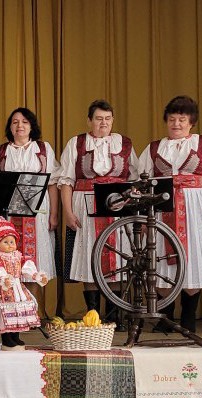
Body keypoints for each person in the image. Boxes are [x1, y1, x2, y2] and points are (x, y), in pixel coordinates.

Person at [135, 95, 202, 333]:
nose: (176, 124)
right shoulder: (154, 148)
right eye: (172, 119)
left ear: (191, 122)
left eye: (182, 119)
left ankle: (188, 315)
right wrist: (144, 214)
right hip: (163, 207)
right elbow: (141, 183)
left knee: (195, 258)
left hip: (197, 209)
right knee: (160, 257)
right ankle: (166, 315)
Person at [54, 100, 138, 328]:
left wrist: (129, 204)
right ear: (89, 121)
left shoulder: (124, 144)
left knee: (117, 258)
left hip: (116, 207)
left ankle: (114, 315)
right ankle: (93, 315)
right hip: (85, 205)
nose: (104, 123)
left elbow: (134, 178)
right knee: (88, 256)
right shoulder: (77, 143)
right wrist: (68, 212)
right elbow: (66, 181)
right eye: (99, 119)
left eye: (108, 119)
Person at [0, 107, 58, 311]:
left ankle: (33, 310)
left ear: (31, 126)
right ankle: (11, 309)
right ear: (10, 127)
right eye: (15, 122)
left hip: (37, 212)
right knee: (9, 259)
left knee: (35, 259)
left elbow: (52, 183)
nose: (20, 126)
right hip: (9, 212)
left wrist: (54, 214)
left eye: (25, 122)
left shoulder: (43, 149)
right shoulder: (0, 152)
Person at [0, 216, 48, 349]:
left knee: (18, 312)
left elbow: (26, 268)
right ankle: (7, 339)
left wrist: (36, 276)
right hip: (4, 290)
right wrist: (3, 278)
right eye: (6, 242)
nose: (10, 244)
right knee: (5, 314)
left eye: (12, 241)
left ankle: (16, 336)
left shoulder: (18, 257)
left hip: (18, 289)